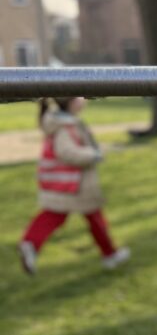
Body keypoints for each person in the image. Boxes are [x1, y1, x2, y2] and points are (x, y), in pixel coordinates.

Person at [18, 97, 130, 275]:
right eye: (79, 97)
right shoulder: (64, 127)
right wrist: (93, 154)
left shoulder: (63, 123)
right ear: (69, 102)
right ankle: (110, 254)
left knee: (58, 215)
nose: (83, 99)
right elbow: (67, 152)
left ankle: (31, 242)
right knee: (92, 218)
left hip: (68, 184)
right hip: (75, 185)